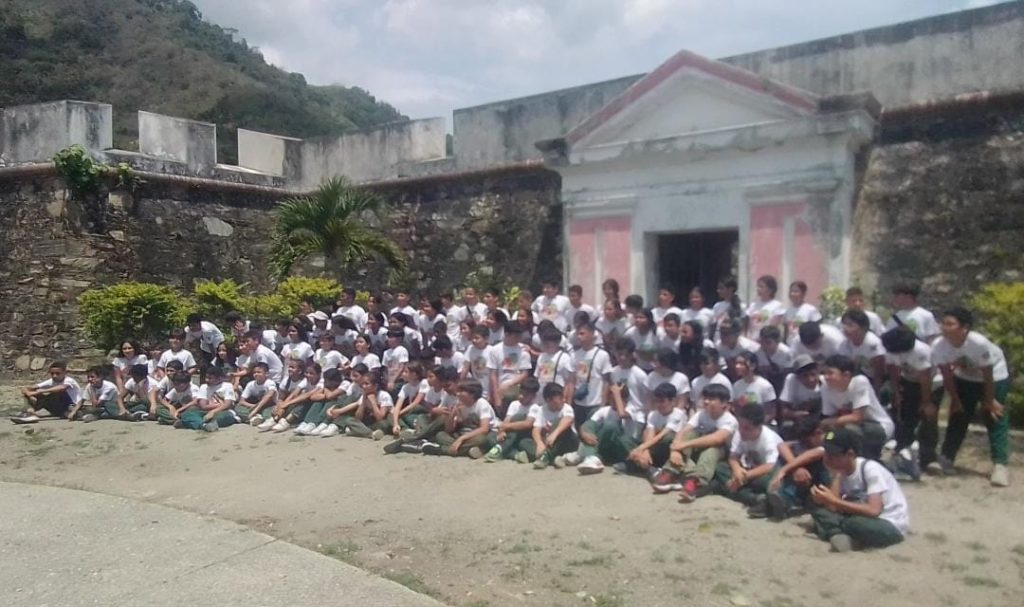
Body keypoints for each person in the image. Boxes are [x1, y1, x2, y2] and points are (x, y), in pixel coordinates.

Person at [930, 307, 1011, 486]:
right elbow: (946, 374)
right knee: (958, 415)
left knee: (994, 416)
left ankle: (1000, 465)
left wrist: (989, 401)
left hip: (993, 377)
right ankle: (947, 457)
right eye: (943, 323)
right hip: (964, 377)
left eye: (950, 324)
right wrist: (955, 399)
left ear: (964, 327)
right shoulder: (938, 345)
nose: (944, 327)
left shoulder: (978, 343)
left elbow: (987, 374)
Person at [809, 427, 909, 552]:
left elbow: (874, 510)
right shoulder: (840, 471)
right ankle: (838, 535)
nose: (827, 458)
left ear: (850, 454)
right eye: (826, 453)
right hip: (860, 515)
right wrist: (825, 498)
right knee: (817, 508)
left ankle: (837, 532)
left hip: (888, 523)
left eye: (833, 455)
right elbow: (833, 508)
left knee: (852, 523)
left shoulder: (869, 469)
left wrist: (833, 501)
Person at [655, 384, 738, 502]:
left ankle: (696, 482)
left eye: (712, 399)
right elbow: (683, 431)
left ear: (724, 403)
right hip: (698, 449)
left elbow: (717, 439)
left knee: (712, 449)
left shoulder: (730, 420)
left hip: (723, 454)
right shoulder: (701, 414)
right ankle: (670, 472)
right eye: (705, 398)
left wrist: (683, 445)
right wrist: (675, 451)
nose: (707, 402)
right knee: (689, 434)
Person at [882, 326, 937, 480]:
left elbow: (925, 378)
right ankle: (903, 451)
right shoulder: (892, 349)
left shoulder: (921, 351)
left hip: (931, 384)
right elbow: (893, 370)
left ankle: (928, 457)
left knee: (928, 419)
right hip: (908, 381)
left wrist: (926, 402)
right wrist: (896, 392)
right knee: (904, 416)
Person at [713, 403, 784, 516]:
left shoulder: (768, 438)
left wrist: (744, 477)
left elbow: (770, 465)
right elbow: (733, 456)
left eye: (747, 429)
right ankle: (757, 499)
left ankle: (733, 489)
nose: (742, 431)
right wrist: (737, 471)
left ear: (759, 426)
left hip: (763, 473)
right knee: (720, 468)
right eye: (740, 426)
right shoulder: (739, 433)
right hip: (746, 470)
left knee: (769, 481)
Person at [819, 355, 895, 460]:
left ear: (846, 375)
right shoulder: (825, 388)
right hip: (848, 426)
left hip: (878, 427)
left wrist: (826, 422)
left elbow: (857, 417)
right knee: (828, 436)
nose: (826, 377)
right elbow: (831, 417)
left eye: (830, 373)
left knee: (849, 430)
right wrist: (827, 436)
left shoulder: (859, 382)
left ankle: (866, 456)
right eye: (824, 373)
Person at [768, 416, 829, 519]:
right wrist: (797, 468)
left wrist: (785, 469)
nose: (804, 444)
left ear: (817, 433)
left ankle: (785, 500)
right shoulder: (805, 443)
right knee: (786, 459)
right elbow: (782, 446)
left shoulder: (830, 438)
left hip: (823, 480)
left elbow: (815, 453)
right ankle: (779, 495)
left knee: (806, 464)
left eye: (807, 441)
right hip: (804, 478)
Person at [422, 379, 497, 458]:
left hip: (481, 434)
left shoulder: (481, 403)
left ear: (472, 394)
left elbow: (484, 429)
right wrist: (452, 415)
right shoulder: (460, 404)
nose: (457, 394)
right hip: (465, 434)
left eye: (461, 391)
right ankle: (468, 450)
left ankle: (441, 450)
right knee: (440, 435)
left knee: (481, 439)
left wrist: (461, 439)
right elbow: (449, 430)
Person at [626, 383, 686, 476]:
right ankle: (647, 465)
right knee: (628, 441)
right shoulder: (653, 414)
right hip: (655, 446)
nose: (658, 404)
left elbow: (661, 435)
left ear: (673, 401)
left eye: (662, 401)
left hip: (672, 449)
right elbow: (650, 434)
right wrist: (645, 451)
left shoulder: (678, 414)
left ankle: (644, 465)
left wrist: (641, 448)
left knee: (667, 437)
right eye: (656, 401)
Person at [484, 377, 542, 463]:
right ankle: (515, 454)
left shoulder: (535, 407)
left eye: (525, 395)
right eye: (521, 393)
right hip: (510, 435)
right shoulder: (514, 404)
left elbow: (527, 424)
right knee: (490, 437)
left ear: (533, 396)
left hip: (525, 435)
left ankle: (501, 448)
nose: (521, 396)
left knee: (518, 419)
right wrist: (501, 431)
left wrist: (505, 426)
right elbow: (507, 420)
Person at [569, 323, 613, 426]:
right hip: (579, 402)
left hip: (595, 403)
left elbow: (606, 381)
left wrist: (603, 403)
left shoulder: (602, 355)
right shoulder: (574, 355)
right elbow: (571, 380)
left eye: (582, 334)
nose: (579, 337)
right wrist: (569, 402)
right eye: (578, 334)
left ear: (592, 334)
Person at [13, 361, 82, 424]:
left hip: (72, 405)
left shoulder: (69, 381)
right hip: (58, 406)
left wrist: (42, 391)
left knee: (57, 393)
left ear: (64, 373)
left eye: (58, 373)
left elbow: (62, 388)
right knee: (32, 393)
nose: (54, 376)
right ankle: (31, 412)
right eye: (52, 373)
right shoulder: (51, 381)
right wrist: (30, 394)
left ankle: (30, 414)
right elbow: (27, 388)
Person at [530, 382, 579, 470]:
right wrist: (539, 443)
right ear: (548, 400)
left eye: (563, 397)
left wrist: (554, 434)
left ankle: (545, 457)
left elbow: (568, 420)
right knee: (526, 442)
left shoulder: (567, 408)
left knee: (558, 422)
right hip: (549, 443)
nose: (563, 400)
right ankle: (557, 458)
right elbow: (536, 429)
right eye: (560, 398)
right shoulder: (542, 410)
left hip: (568, 441)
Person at [488, 320, 532, 416]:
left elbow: (524, 373)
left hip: (517, 389)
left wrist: (509, 384)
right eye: (515, 336)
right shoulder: (495, 350)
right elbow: (493, 375)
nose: (518, 339)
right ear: (507, 334)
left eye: (520, 336)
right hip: (500, 389)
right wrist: (496, 397)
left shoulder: (523, 350)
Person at [777, 354, 823, 440]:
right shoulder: (791, 380)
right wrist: (795, 414)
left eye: (813, 374)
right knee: (787, 426)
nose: (810, 379)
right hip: (798, 417)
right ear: (798, 377)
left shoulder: (825, 382)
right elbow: (784, 411)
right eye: (805, 376)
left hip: (819, 418)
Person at [838, 310, 887, 390]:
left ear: (863, 327)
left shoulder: (872, 343)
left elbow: (879, 373)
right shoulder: (845, 344)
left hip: (879, 380)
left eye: (850, 325)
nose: (845, 328)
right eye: (844, 324)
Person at [188, 365, 238, 432]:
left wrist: (213, 411)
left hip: (223, 412)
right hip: (206, 412)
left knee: (225, 417)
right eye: (206, 377)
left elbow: (228, 405)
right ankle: (205, 425)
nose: (207, 380)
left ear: (219, 378)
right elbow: (203, 406)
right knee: (187, 414)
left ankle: (199, 423)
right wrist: (219, 405)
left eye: (210, 378)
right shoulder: (204, 386)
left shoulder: (227, 386)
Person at [731, 351, 778, 421]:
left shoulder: (765, 385)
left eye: (742, 364)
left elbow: (771, 413)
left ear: (752, 366)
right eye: (737, 363)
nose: (737, 366)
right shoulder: (736, 385)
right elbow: (736, 409)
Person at [690, 348, 733, 413]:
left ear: (716, 364)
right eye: (701, 364)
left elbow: (729, 404)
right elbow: (693, 404)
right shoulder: (695, 382)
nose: (703, 366)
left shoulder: (723, 381)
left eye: (707, 363)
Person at [184, 313, 225, 380]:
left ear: (199, 324)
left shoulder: (207, 330)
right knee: (203, 367)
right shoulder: (188, 330)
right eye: (190, 325)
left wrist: (215, 358)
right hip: (204, 345)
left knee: (213, 366)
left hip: (216, 345)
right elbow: (189, 343)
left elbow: (211, 345)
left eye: (194, 325)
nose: (192, 328)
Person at [745, 275, 785, 342]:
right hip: (752, 342)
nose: (758, 289)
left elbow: (773, 327)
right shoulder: (753, 305)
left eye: (761, 286)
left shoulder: (777, 306)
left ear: (770, 289)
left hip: (767, 343)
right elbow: (746, 326)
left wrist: (761, 339)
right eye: (757, 286)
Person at [237, 362, 279, 426]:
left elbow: (269, 395)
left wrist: (256, 409)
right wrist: (253, 406)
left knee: (267, 414)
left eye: (259, 372)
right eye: (254, 372)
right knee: (237, 408)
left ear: (266, 374)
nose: (256, 374)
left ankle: (258, 418)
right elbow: (241, 401)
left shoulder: (270, 383)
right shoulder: (250, 384)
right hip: (255, 406)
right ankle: (256, 418)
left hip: (269, 406)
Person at [534, 329, 572, 397]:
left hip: (556, 396)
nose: (544, 344)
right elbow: (537, 376)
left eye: (547, 343)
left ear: (557, 342)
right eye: (543, 342)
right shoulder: (542, 356)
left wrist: (565, 399)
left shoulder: (564, 358)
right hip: (541, 395)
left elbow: (568, 382)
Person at [783, 281, 822, 346]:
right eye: (791, 291)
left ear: (803, 294)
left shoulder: (810, 310)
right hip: (790, 345)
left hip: (806, 345)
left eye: (796, 291)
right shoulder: (787, 311)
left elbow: (818, 328)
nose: (792, 294)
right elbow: (786, 331)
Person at [755, 325, 793, 393]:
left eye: (768, 343)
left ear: (777, 342)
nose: (764, 346)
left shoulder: (786, 353)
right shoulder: (757, 353)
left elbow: (788, 376)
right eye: (761, 342)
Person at [711, 276, 744, 340]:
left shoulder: (741, 306)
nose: (718, 291)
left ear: (730, 289)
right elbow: (714, 325)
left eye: (721, 288)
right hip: (718, 340)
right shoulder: (717, 306)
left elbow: (743, 327)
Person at [382, 330, 410, 395]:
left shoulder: (402, 350)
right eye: (388, 337)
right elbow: (385, 369)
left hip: (400, 379)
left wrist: (392, 381)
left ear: (399, 339)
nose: (389, 339)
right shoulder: (386, 352)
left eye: (391, 337)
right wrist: (388, 380)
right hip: (389, 379)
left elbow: (402, 367)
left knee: (394, 390)